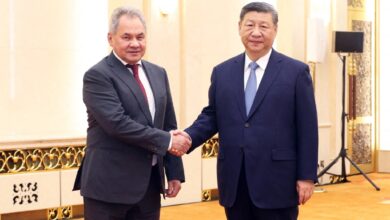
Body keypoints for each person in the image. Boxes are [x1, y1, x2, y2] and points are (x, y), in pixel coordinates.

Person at [176, 2, 318, 220]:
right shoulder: (223, 72)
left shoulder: (296, 72)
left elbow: (307, 128)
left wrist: (307, 176)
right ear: (239, 27)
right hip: (235, 179)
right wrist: (187, 137)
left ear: (275, 30)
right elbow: (213, 114)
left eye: (264, 26)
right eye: (250, 25)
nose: (256, 32)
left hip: (277, 181)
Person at [73, 6, 191, 220]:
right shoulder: (97, 76)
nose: (135, 43)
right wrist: (168, 141)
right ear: (111, 38)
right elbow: (117, 124)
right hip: (108, 188)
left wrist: (174, 173)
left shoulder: (158, 73)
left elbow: (168, 124)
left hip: (149, 187)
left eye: (140, 37)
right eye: (126, 37)